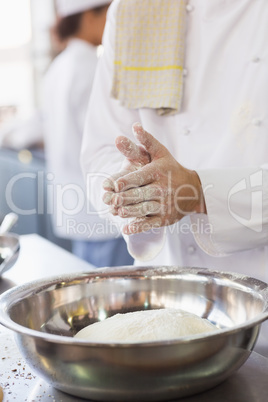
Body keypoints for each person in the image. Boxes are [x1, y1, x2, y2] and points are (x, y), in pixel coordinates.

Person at [81, 0, 268, 353]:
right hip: (162, 308)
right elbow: (101, 150)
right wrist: (132, 188)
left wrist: (199, 193)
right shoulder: (132, 9)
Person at [43, 0, 133, 267]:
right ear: (89, 16)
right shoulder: (91, 69)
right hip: (100, 207)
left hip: (75, 204)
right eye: (108, 13)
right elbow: (111, 139)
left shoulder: (59, 66)